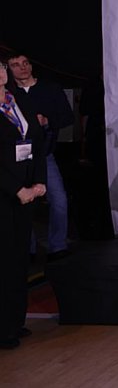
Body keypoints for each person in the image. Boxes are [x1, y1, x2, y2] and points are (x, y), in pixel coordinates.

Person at [7, 53, 74, 259]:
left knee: (59, 200)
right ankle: (28, 248)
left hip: (44, 154)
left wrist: (47, 121)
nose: (23, 68)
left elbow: (68, 117)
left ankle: (58, 246)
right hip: (17, 158)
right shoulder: (9, 94)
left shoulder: (50, 89)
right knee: (21, 203)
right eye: (16, 65)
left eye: (25, 63)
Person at [0, 59, 47, 350]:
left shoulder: (17, 101)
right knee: (4, 260)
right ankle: (3, 328)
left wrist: (39, 182)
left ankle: (15, 320)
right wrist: (17, 189)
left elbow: (37, 143)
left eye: (0, 67)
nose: (0, 73)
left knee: (19, 259)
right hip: (6, 193)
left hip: (27, 191)